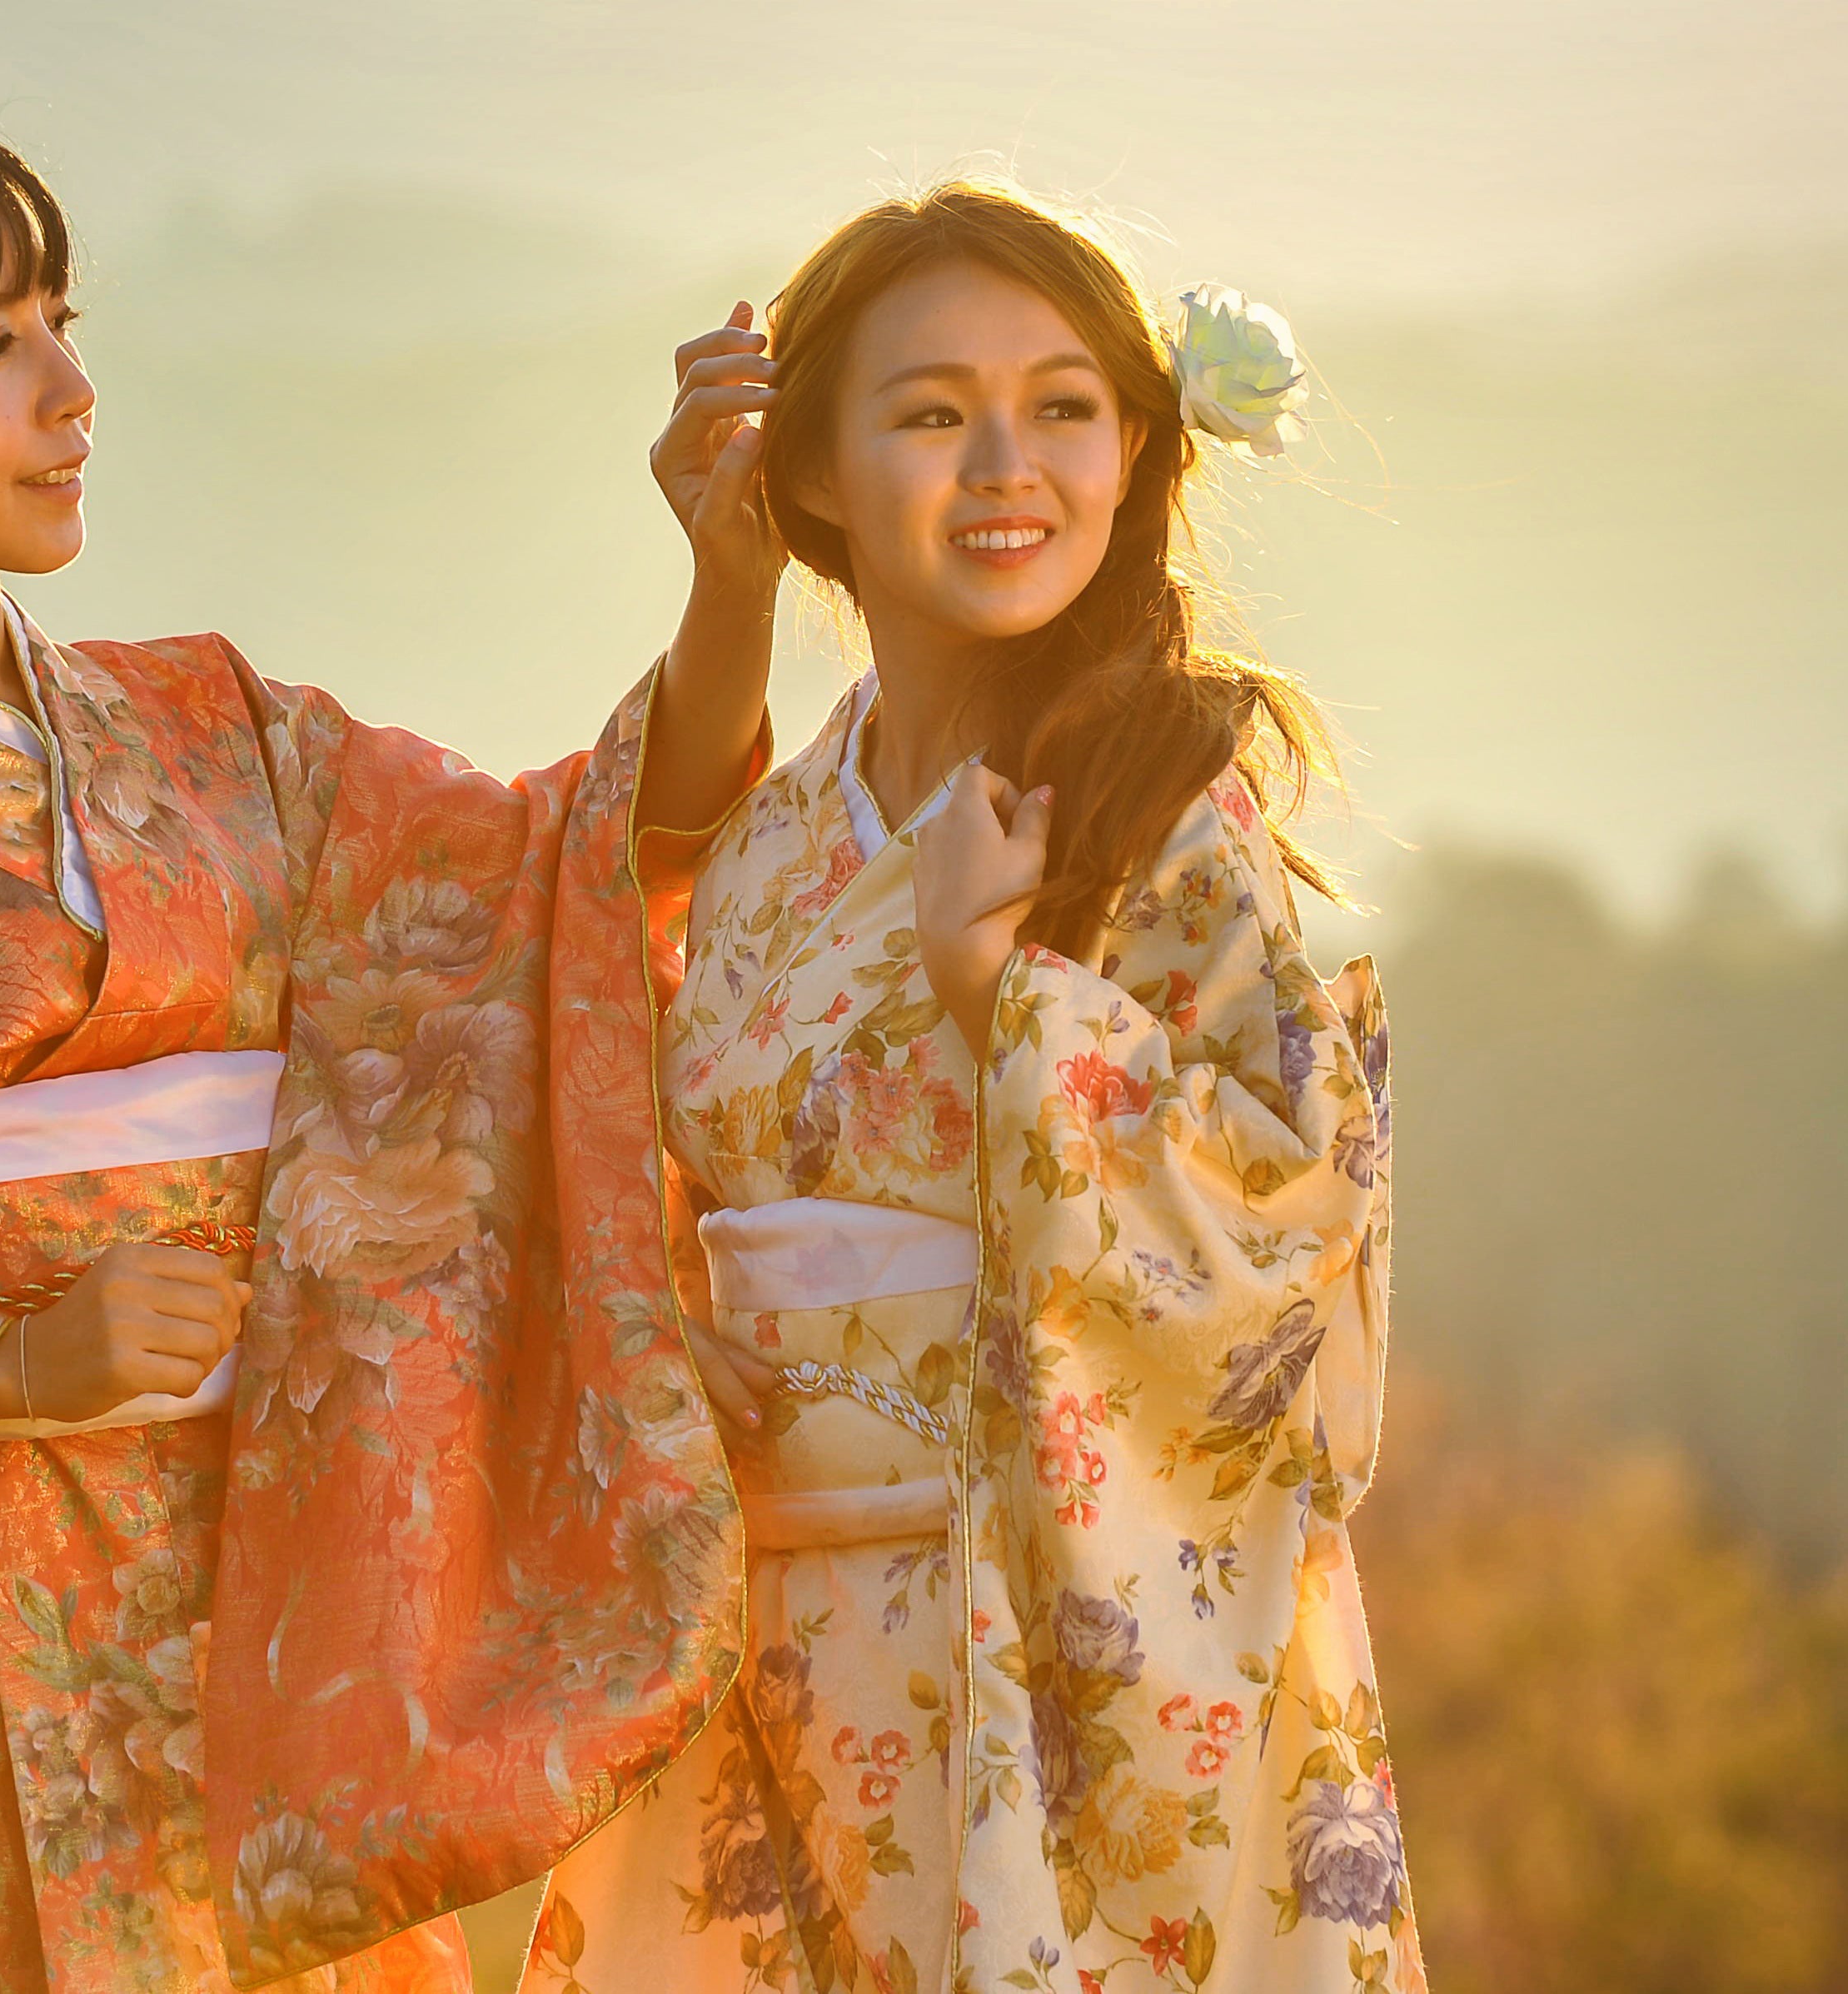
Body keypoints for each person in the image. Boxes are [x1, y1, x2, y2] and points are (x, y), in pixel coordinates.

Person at [0, 100, 770, 1991]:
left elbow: (553, 877)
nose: (71, 391)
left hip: (271, 1594)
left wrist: (731, 573)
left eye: (63, 322)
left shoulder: (207, 727)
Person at [529, 181, 1419, 1994]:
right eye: (931, 413)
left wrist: (1004, 997)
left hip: (1045, 1652)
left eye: (1063, 406)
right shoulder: (784, 835)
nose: (1006, 463)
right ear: (817, 477)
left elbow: (1283, 1241)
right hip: (769, 1646)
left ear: (1135, 447)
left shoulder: (1164, 802)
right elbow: (583, 998)